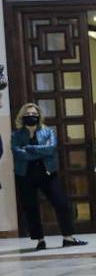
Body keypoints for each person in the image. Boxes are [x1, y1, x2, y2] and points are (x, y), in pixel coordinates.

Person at [11, 104, 87, 250]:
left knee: (61, 203)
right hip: (25, 174)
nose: (31, 116)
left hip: (47, 172)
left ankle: (68, 237)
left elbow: (50, 149)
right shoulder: (17, 135)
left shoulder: (48, 132)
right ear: (22, 117)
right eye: (27, 114)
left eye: (34, 113)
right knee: (30, 207)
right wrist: (39, 151)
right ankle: (40, 240)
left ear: (39, 116)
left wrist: (29, 148)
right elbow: (17, 153)